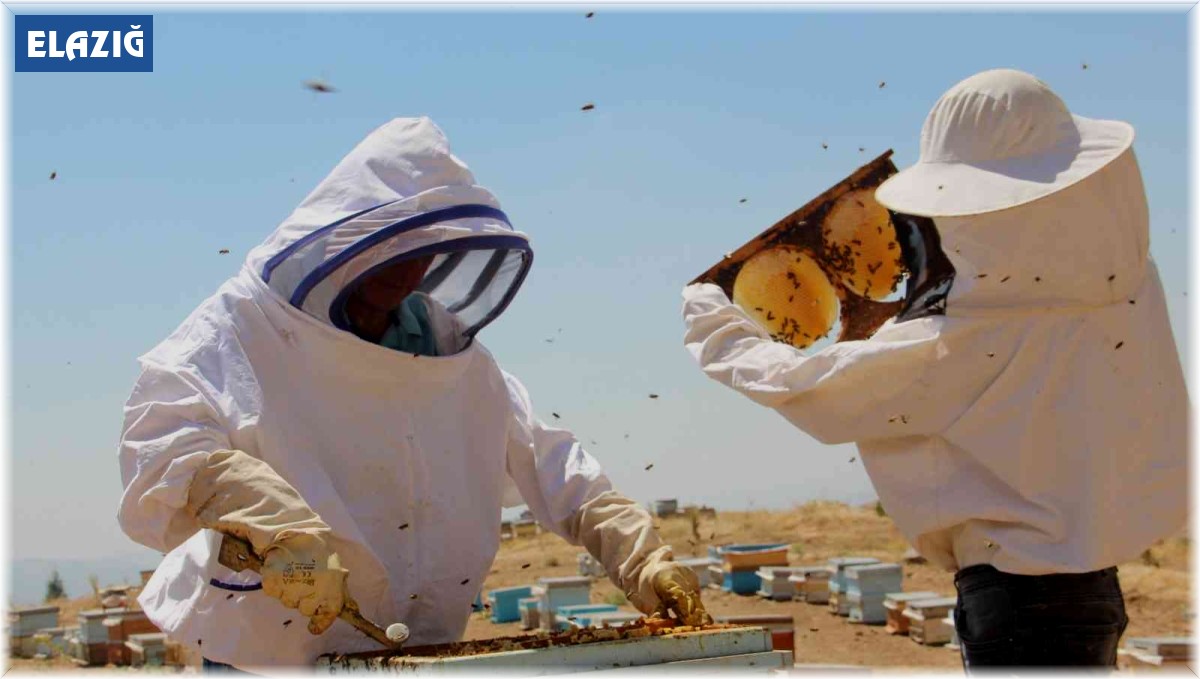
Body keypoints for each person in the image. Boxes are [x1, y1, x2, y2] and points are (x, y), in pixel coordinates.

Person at [119, 117, 709, 672]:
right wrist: (261, 512)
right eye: (395, 250)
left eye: (428, 252)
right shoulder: (244, 327)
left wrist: (639, 556)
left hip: (417, 639)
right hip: (268, 643)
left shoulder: (446, 351)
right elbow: (160, 443)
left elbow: (551, 461)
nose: (411, 272)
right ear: (348, 241)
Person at [681, 69, 1186, 670]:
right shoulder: (1126, 282)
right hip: (1092, 588)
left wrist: (717, 328)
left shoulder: (968, 336)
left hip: (1021, 604)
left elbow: (810, 390)